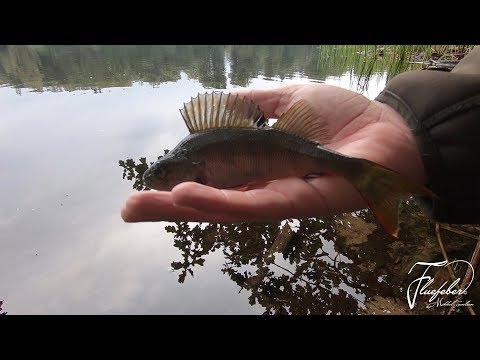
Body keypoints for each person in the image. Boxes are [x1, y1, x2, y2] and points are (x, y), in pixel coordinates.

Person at [121, 46, 480, 225]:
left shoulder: (196, 150)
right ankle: (380, 181)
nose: (158, 178)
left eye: (164, 173)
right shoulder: (192, 150)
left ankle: (373, 179)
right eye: (160, 174)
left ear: (187, 165)